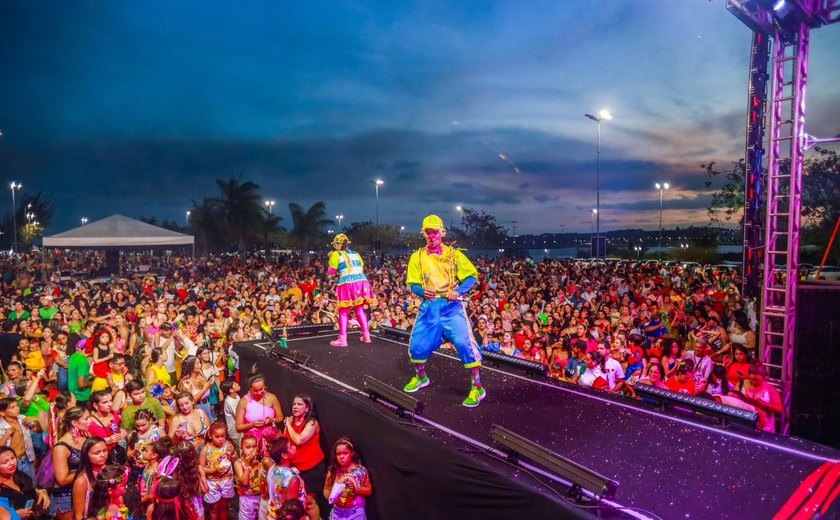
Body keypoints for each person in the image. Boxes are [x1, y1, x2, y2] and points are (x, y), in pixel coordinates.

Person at [402, 215, 485, 407]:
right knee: (417, 346)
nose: (432, 236)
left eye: (435, 232)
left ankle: (477, 388)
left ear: (442, 232)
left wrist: (458, 291)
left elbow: (472, 277)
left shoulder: (454, 254)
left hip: (451, 308)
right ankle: (421, 378)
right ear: (424, 234)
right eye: (428, 232)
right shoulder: (417, 257)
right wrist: (423, 291)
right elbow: (412, 284)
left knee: (465, 345)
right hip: (429, 308)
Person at [326, 234, 377, 347]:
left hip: (347, 284)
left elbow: (331, 272)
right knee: (359, 309)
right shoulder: (356, 253)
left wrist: (330, 258)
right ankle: (366, 336)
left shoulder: (336, 254)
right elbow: (360, 267)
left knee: (344, 311)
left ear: (339, 244)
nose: (334, 246)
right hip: (362, 282)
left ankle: (343, 340)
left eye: (335, 244)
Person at [283, 395, 325, 511]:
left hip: (311, 468)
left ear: (307, 408)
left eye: (299, 404)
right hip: (295, 468)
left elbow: (299, 440)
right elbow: (285, 440)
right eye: (294, 404)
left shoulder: (312, 423)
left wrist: (287, 425)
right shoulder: (291, 421)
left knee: (309, 502)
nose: (295, 407)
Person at [51, 407, 90, 520]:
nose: (90, 421)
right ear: (74, 423)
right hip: (66, 497)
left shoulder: (86, 435)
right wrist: (87, 471)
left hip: (85, 490)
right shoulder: (61, 447)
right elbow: (62, 480)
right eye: (86, 418)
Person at [322, 437, 372, 520]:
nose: (341, 457)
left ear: (352, 453)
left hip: (355, 513)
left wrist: (355, 489)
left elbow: (369, 490)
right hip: (337, 512)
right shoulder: (333, 469)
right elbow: (326, 490)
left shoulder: (360, 471)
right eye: (338, 454)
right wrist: (333, 498)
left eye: (345, 453)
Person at [234, 373, 283, 450]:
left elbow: (280, 417)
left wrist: (272, 420)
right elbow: (238, 427)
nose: (260, 392)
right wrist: (252, 425)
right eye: (256, 390)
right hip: (252, 443)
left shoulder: (272, 398)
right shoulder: (243, 402)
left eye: (262, 389)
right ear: (250, 389)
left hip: (270, 440)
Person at [0, 446, 50, 519]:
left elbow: (29, 491)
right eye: (5, 462)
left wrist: (40, 492)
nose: (11, 463)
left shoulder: (20, 475)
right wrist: (15, 514)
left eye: (13, 458)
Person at [200, 422, 236, 520]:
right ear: (210, 436)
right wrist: (213, 470)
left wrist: (233, 453)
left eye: (223, 436)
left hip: (227, 481)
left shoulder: (228, 445)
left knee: (224, 506)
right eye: (217, 436)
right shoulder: (206, 449)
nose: (220, 439)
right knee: (214, 508)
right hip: (212, 483)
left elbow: (235, 461)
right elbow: (200, 468)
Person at [266, 437, 305, 520]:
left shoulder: (272, 468)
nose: (294, 447)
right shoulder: (292, 479)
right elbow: (290, 512)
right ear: (284, 455)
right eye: (290, 446)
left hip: (273, 514)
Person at [72, 437, 109, 520]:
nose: (102, 455)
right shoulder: (82, 481)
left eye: (105, 450)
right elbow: (78, 516)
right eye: (97, 453)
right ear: (86, 455)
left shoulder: (109, 471)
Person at [233, 435, 264, 520]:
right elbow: (245, 482)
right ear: (241, 448)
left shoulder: (258, 461)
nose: (251, 450)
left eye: (254, 446)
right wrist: (247, 464)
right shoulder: (238, 463)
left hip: (260, 496)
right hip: (247, 499)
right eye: (248, 447)